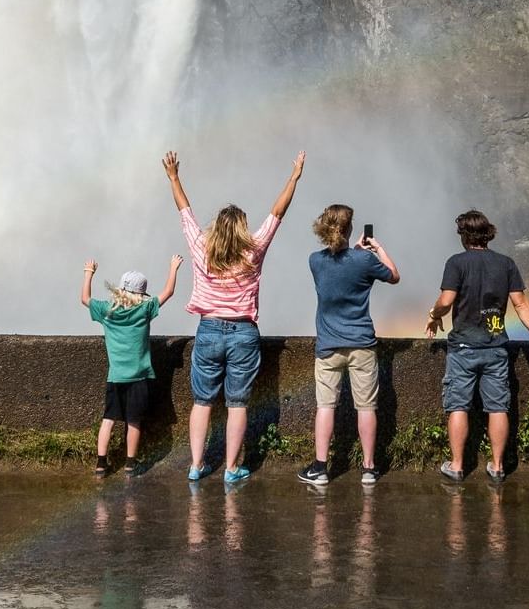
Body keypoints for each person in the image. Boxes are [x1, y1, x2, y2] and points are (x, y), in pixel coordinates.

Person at [163, 148, 305, 485]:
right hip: (243, 333)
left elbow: (185, 213)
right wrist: (294, 177)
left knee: (202, 401)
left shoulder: (201, 248)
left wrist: (173, 177)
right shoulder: (254, 251)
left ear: (216, 228)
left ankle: (196, 465)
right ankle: (230, 469)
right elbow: (276, 213)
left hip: (209, 330)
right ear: (241, 229)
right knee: (238, 403)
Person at [424, 209, 529, 484]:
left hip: (464, 345)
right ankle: (497, 466)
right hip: (496, 345)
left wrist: (434, 316)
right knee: (498, 407)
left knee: (458, 405)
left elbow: (446, 300)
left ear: (464, 235)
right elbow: (521, 304)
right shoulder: (505, 264)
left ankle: (457, 466)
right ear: (487, 234)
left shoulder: (456, 263)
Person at [299, 204, 399, 487]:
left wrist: (353, 251)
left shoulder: (314, 261)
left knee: (325, 406)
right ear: (350, 228)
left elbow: (337, 266)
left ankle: (320, 468)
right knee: (366, 407)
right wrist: (375, 248)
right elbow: (394, 275)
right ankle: (368, 468)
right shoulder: (364, 260)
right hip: (362, 345)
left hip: (328, 346)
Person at [81, 255, 181, 476]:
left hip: (115, 376)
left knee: (108, 419)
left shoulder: (107, 311)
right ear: (141, 293)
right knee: (133, 421)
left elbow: (85, 298)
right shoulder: (144, 310)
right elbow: (169, 292)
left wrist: (89, 272)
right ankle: (130, 464)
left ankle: (100, 464)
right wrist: (173, 267)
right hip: (139, 376)